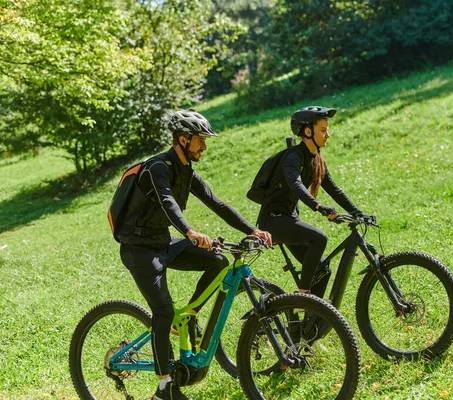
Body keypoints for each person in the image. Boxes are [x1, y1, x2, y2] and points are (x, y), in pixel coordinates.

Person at [117, 110, 272, 400]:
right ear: (183, 139)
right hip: (139, 250)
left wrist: (253, 229)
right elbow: (167, 204)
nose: (204, 146)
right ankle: (164, 387)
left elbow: (216, 203)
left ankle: (188, 316)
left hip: (163, 243)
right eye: (200, 140)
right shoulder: (158, 168)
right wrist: (189, 232)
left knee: (218, 260)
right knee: (162, 312)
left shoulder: (186, 170)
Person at [256, 106, 365, 296]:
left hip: (289, 219)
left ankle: (311, 322)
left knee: (322, 269)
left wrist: (359, 213)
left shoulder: (316, 159)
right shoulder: (292, 156)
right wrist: (318, 206)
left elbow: (334, 190)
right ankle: (303, 297)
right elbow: (295, 185)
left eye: (327, 130)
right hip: (273, 221)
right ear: (308, 131)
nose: (327, 135)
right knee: (319, 238)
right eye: (323, 130)